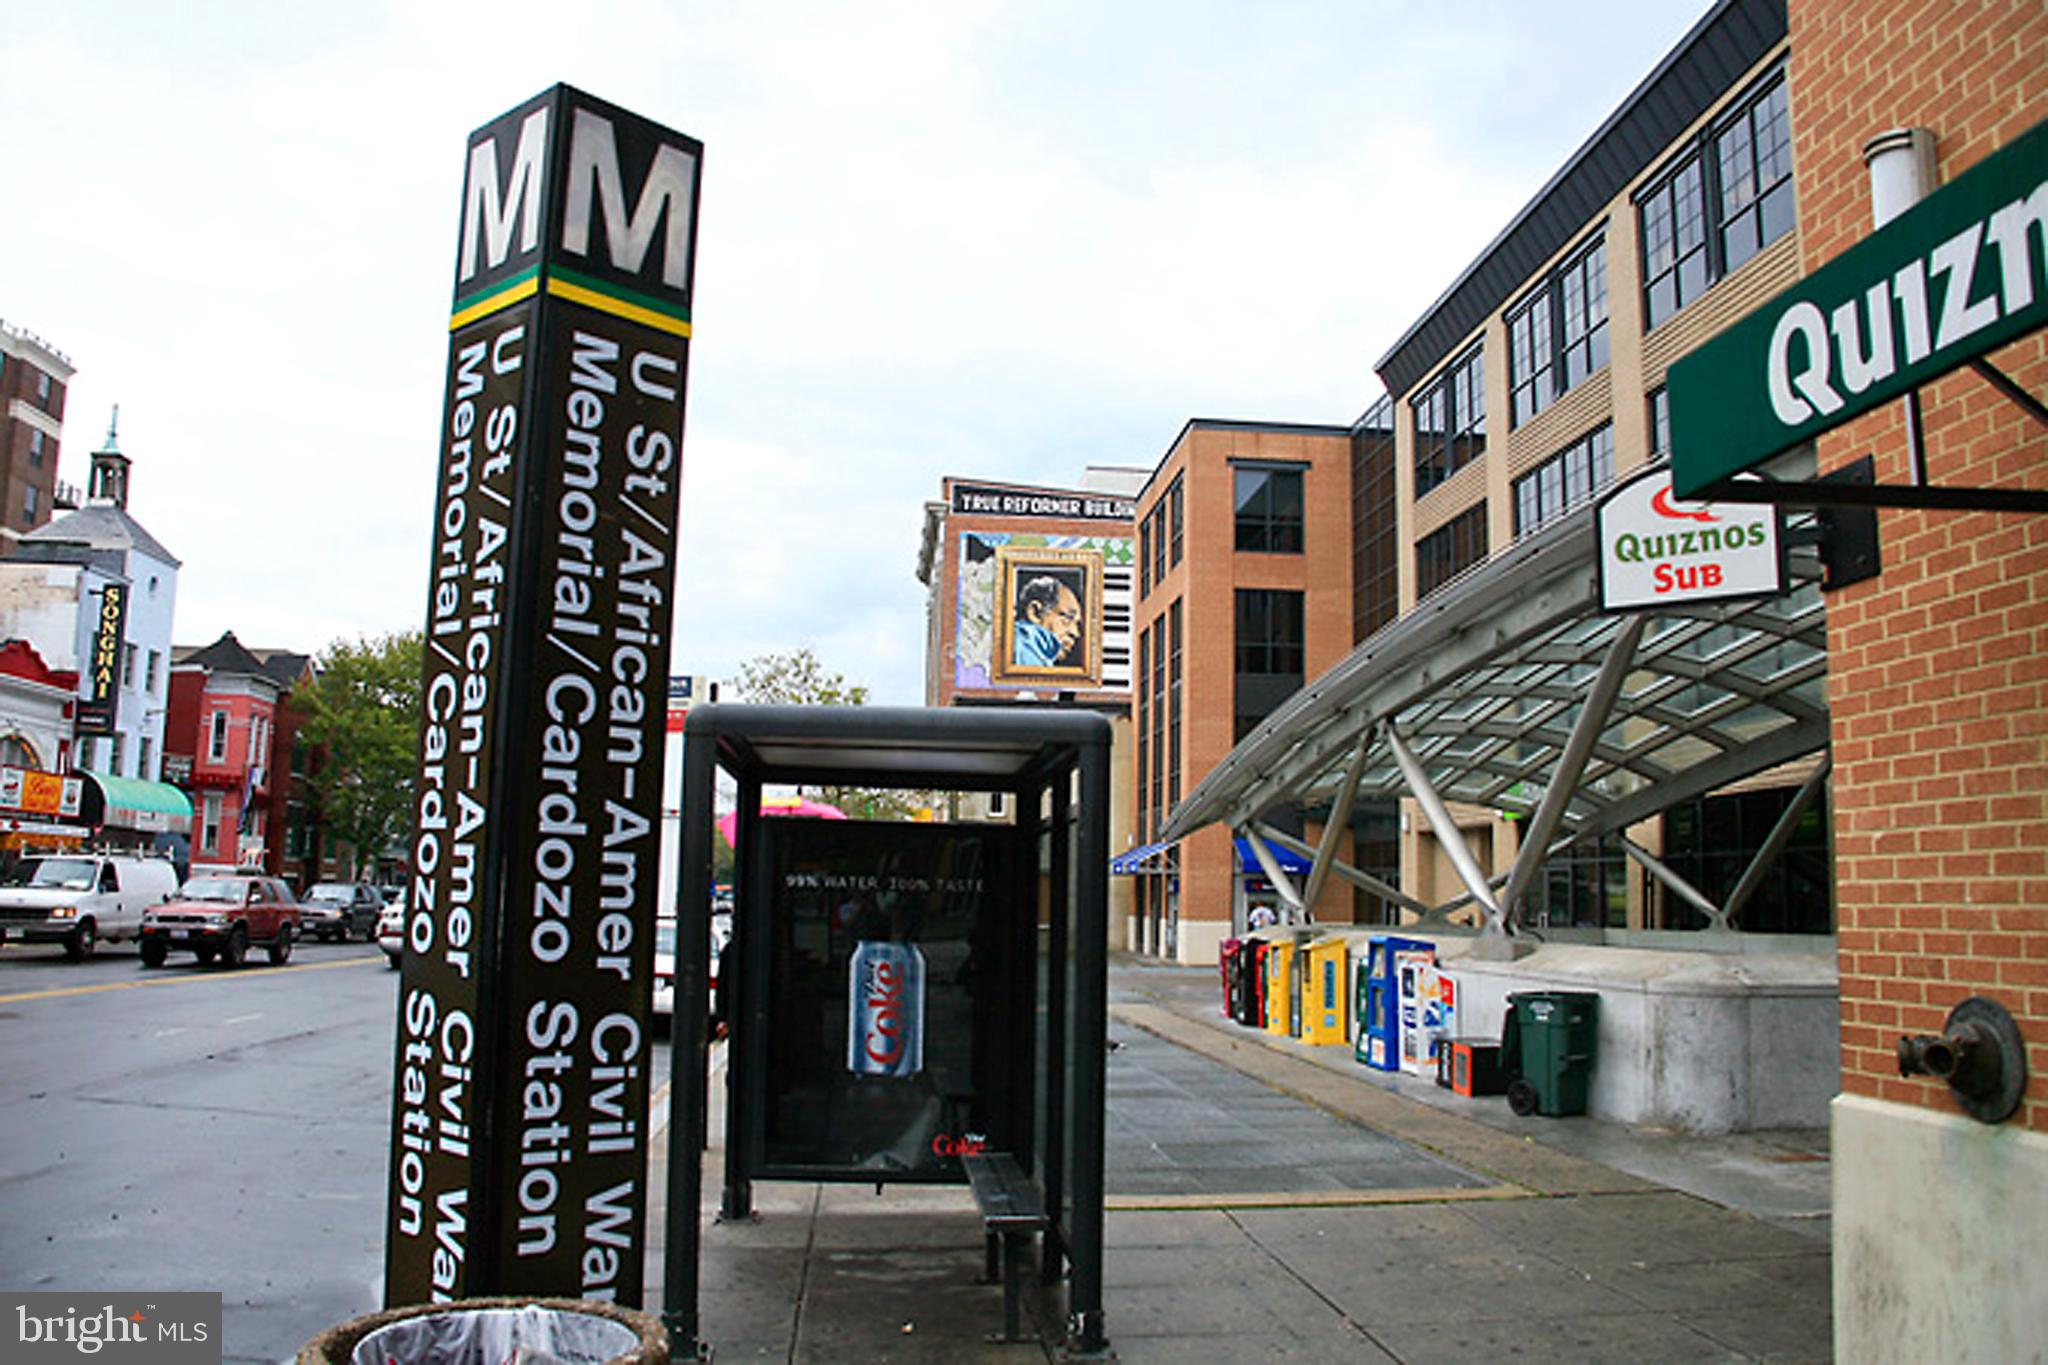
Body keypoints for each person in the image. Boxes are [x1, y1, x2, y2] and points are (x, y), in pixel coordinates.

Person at [1013, 576, 1083, 667]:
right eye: (1068, 618)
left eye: (1077, 624)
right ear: (1035, 613)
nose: (1075, 633)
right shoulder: (1024, 646)